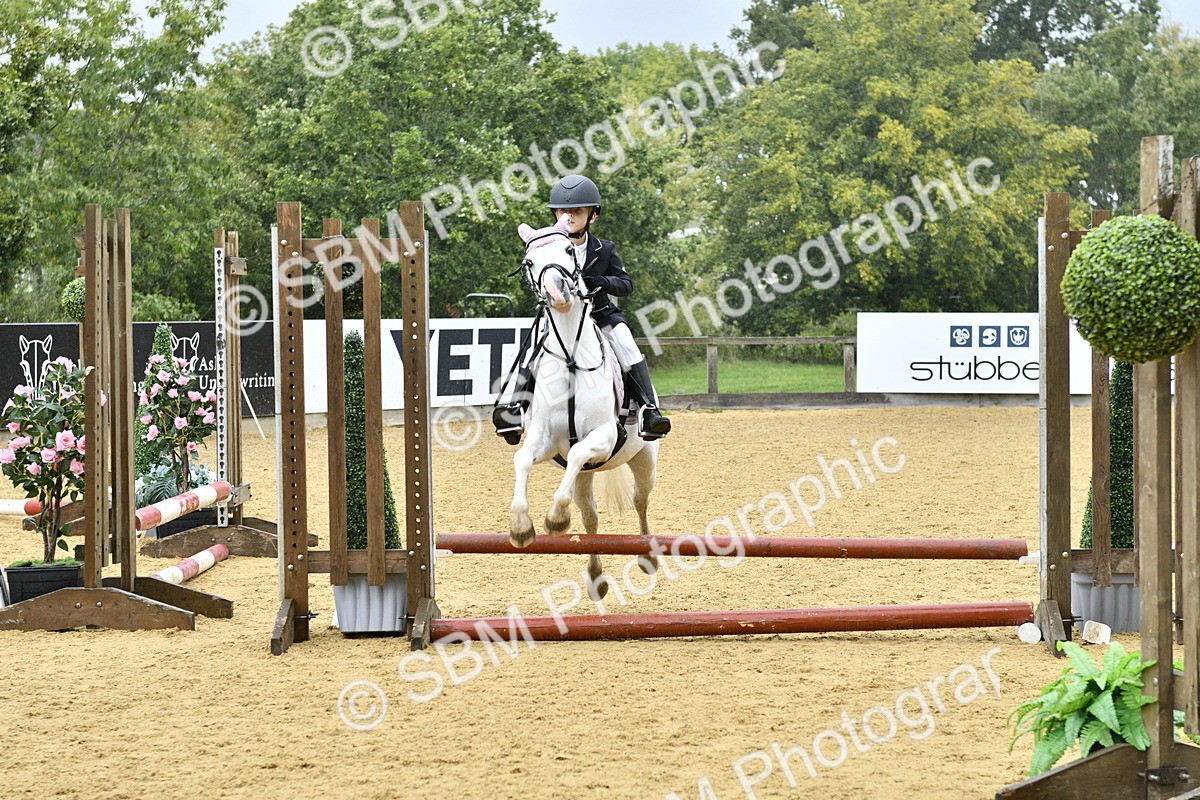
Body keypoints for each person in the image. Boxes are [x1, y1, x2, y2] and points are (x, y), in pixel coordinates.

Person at [494, 174, 672, 444]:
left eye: (577, 211)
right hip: (559, 318)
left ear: (593, 216)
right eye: (563, 211)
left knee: (627, 345)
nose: (570, 215)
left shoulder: (604, 249)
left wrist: (603, 281)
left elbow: (626, 285)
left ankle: (649, 410)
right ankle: (515, 410)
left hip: (601, 315)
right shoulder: (546, 245)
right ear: (555, 214)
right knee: (531, 350)